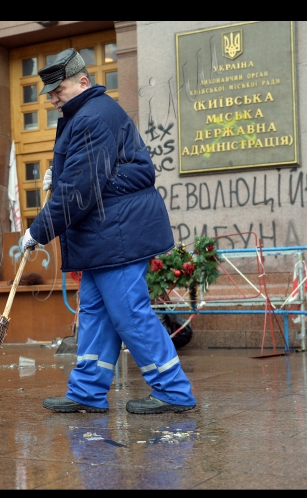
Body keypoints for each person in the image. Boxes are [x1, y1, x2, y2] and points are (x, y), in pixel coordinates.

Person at [22, 48, 196, 415]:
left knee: (129, 314)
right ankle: (87, 390)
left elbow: (80, 192)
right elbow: (90, 176)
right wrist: (65, 173)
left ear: (83, 81)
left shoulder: (92, 117)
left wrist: (37, 231)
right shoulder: (82, 114)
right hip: (104, 235)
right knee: (96, 316)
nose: (53, 98)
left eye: (60, 90)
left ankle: (174, 391)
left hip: (118, 234)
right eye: (50, 93)